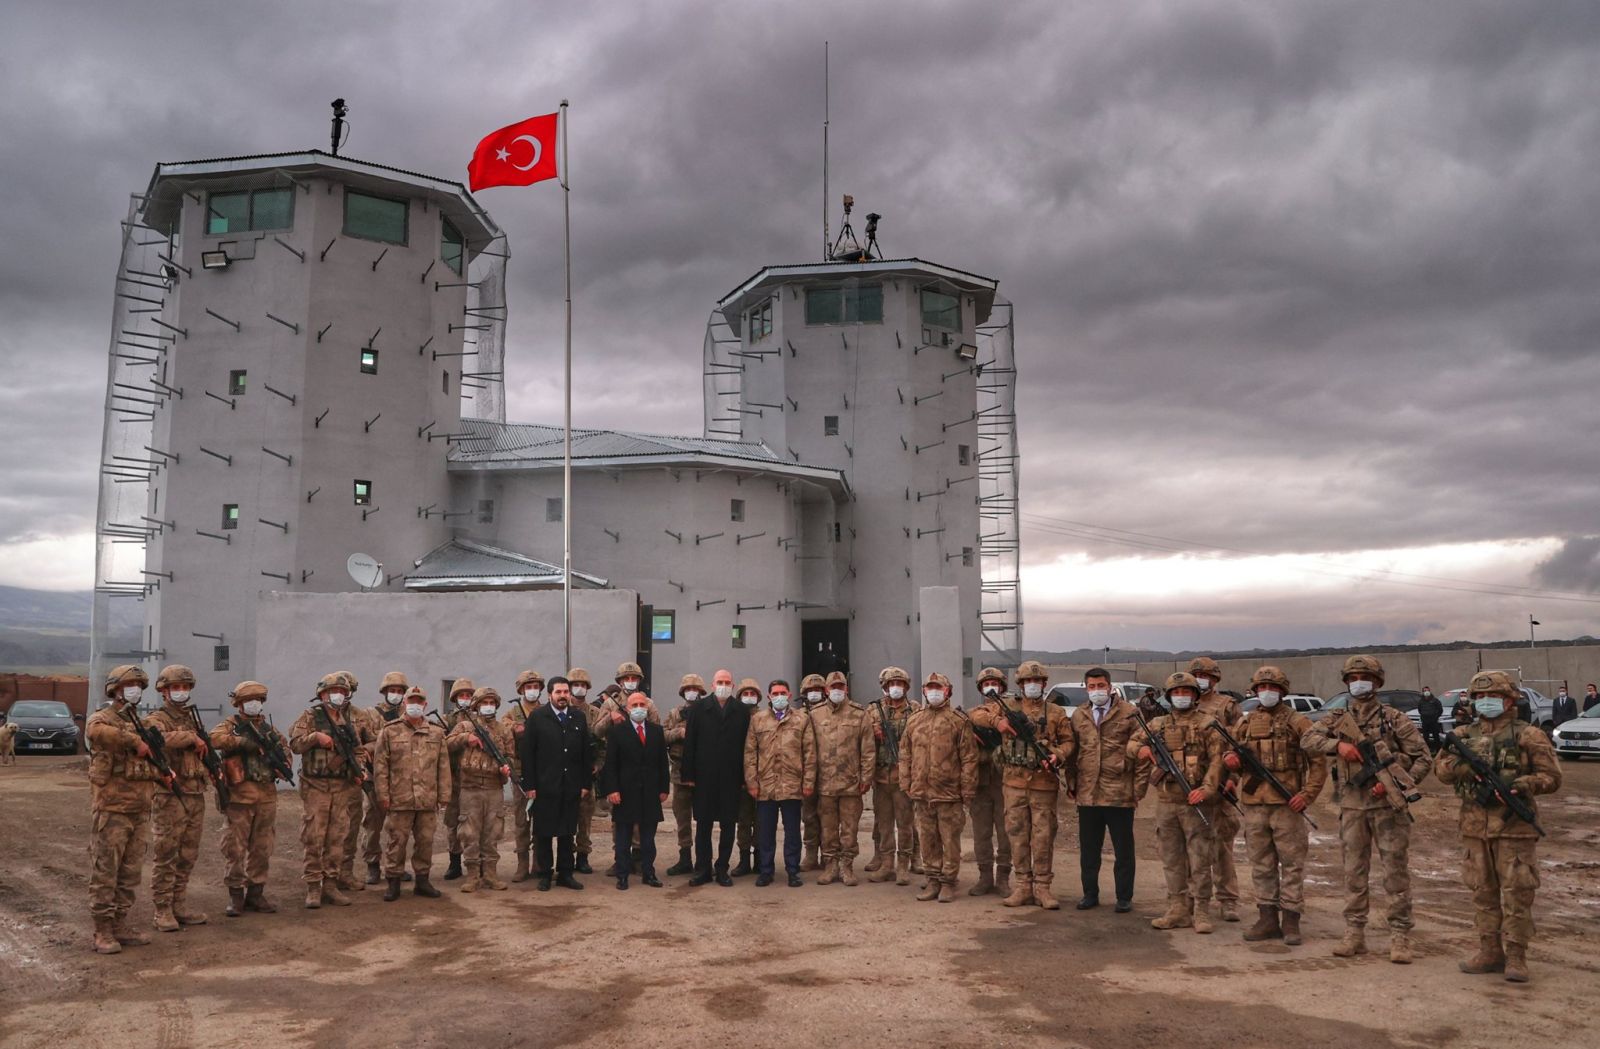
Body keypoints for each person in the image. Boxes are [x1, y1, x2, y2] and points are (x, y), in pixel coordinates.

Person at [1434, 670, 1563, 983]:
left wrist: (1526, 783)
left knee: (1517, 893)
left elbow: (1553, 777)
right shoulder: (1463, 735)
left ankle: (1517, 956)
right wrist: (1464, 765)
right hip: (1475, 828)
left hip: (1515, 828)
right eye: (1479, 697)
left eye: (1493, 697)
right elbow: (1441, 770)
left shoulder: (1528, 735)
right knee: (1482, 892)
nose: (1485, 702)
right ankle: (1490, 950)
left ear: (1509, 700)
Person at [1302, 655, 1431, 963]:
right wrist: (1339, 747)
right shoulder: (1337, 717)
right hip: (1352, 806)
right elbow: (1308, 738)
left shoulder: (1393, 718)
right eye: (1354, 677)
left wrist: (1395, 784)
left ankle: (1400, 936)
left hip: (1388, 808)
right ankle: (1354, 933)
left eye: (1365, 677)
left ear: (1377, 682)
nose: (1359, 682)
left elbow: (1424, 757)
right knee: (1353, 872)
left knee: (1395, 873)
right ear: (1347, 682)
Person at [1230, 666, 1327, 946]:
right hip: (1254, 805)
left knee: (1292, 864)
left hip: (1288, 805)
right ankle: (1267, 917)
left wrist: (1307, 795)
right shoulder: (1245, 724)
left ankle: (1292, 920)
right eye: (1261, 687)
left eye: (1272, 687)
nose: (1266, 692)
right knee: (1261, 864)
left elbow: (1318, 763)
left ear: (1282, 691)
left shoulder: (1299, 723)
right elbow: (1232, 755)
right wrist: (1231, 765)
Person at [971, 659, 1072, 909]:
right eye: (1028, 681)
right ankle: (1023, 886)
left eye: (1037, 681)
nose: (1032, 685)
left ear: (1044, 684)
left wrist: (1056, 755)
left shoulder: (1056, 713)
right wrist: (998, 723)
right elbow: (977, 714)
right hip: (1014, 784)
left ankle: (1043, 888)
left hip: (1043, 784)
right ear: (1020, 684)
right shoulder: (1006, 707)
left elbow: (1069, 743)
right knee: (1016, 835)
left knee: (1042, 836)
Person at [1128, 672, 1223, 934]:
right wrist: (1142, 750)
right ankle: (1177, 908)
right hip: (1167, 800)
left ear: (1194, 695)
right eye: (1177, 693)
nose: (1182, 697)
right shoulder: (1157, 724)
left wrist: (1206, 790)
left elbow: (1217, 761)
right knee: (1171, 858)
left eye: (1187, 692)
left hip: (1196, 802)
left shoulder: (1207, 724)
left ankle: (1201, 910)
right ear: (1169, 696)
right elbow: (1132, 744)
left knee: (1199, 858)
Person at [86, 665, 162, 954]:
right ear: (115, 689)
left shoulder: (137, 722)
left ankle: (120, 923)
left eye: (138, 685)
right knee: (106, 869)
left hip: (140, 810)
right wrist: (134, 741)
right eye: (129, 685)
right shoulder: (102, 718)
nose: (135, 690)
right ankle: (102, 930)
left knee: (130, 872)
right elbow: (94, 731)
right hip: (113, 810)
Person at [289, 672, 373, 910]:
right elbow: (295, 744)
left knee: (337, 836)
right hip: (316, 785)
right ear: (322, 694)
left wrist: (361, 769)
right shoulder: (311, 716)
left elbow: (358, 749)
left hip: (341, 787)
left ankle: (331, 884)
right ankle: (314, 886)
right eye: (332, 691)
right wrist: (316, 738)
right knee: (314, 836)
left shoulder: (349, 721)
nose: (338, 696)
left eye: (342, 692)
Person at [1066, 667, 1146, 913]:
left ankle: (1124, 897)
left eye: (1101, 685)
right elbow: (1073, 752)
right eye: (1092, 686)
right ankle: (1090, 893)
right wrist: (1071, 783)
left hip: (1119, 793)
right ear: (1086, 688)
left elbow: (1143, 751)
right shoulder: (1079, 715)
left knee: (1123, 850)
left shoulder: (1130, 713)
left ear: (1110, 687)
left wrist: (1139, 789)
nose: (1097, 690)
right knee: (1089, 849)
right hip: (1088, 793)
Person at [209, 680, 291, 919]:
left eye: (257, 700)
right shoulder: (231, 725)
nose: (253, 704)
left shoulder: (269, 729)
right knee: (235, 847)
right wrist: (243, 743)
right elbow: (214, 738)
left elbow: (285, 749)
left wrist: (284, 764)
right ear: (239, 704)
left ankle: (256, 893)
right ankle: (236, 895)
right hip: (239, 797)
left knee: (262, 847)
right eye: (248, 700)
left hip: (265, 796)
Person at [144, 664, 212, 932]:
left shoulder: (191, 719)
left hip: (195, 794)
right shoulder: (156, 718)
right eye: (176, 688)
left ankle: (179, 905)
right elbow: (155, 740)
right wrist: (189, 738)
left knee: (188, 853)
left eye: (185, 687)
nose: (181, 692)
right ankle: (162, 909)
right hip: (170, 796)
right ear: (164, 692)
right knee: (166, 853)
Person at [899, 673, 977, 902]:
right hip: (922, 794)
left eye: (938, 687)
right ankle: (932, 880)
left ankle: (948, 882)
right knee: (927, 839)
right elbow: (905, 754)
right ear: (923, 691)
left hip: (949, 794)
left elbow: (969, 758)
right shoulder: (915, 720)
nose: (934, 691)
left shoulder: (958, 721)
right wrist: (906, 782)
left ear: (947, 691)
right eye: (930, 687)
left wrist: (967, 791)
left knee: (949, 841)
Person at [518, 676, 595, 891]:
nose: (562, 696)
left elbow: (585, 754)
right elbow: (528, 754)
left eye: (565, 692)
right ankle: (545, 874)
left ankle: (566, 873)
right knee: (543, 832)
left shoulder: (578, 718)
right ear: (549, 694)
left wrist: (585, 784)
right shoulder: (537, 717)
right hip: (544, 786)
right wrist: (530, 785)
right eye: (558, 692)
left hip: (571, 785)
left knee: (566, 831)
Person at [374, 686, 450, 900]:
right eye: (411, 701)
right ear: (404, 703)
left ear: (425, 705)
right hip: (400, 798)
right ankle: (393, 881)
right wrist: (383, 795)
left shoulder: (436, 732)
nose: (415, 705)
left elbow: (443, 767)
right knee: (397, 841)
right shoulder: (389, 731)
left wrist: (444, 796)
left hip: (427, 798)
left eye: (419, 701)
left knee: (425, 841)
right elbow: (380, 767)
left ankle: (423, 881)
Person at [683, 668, 755, 886]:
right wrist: (689, 775)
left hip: (731, 778)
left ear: (732, 686)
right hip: (704, 778)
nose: (723, 685)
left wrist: (745, 778)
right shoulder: (698, 709)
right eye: (719, 682)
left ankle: (722, 868)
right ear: (712, 685)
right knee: (703, 825)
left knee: (728, 825)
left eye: (727, 682)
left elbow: (747, 747)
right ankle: (702, 869)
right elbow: (690, 744)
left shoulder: (742, 711)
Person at [744, 680, 817, 887]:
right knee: (765, 831)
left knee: (792, 831)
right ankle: (766, 871)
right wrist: (752, 782)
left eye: (783, 692)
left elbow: (810, 753)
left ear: (789, 694)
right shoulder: (758, 720)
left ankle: (793, 870)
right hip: (765, 785)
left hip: (792, 785)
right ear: (768, 696)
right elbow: (750, 753)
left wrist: (808, 781)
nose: (779, 696)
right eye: (775, 693)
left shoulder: (802, 719)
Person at [1189, 656, 1244, 923]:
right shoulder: (1184, 702)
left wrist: (1233, 778)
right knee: (1194, 845)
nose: (1202, 679)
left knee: (1222, 845)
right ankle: (1195, 899)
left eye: (1206, 675)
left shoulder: (1227, 706)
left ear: (1215, 679)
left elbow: (1238, 745)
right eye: (1197, 674)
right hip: (1193, 784)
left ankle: (1228, 900)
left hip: (1221, 785)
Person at [447, 686, 518, 892]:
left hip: (493, 788)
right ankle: (472, 876)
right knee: (469, 832)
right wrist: (465, 738)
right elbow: (447, 743)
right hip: (469, 788)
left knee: (492, 832)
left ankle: (490, 874)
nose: (488, 707)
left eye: (491, 703)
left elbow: (511, 756)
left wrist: (506, 768)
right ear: (477, 706)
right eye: (484, 703)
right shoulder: (465, 725)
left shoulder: (503, 729)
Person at [594, 662, 661, 877]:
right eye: (626, 678)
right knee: (621, 820)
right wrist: (609, 718)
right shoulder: (611, 703)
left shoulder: (647, 703)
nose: (630, 682)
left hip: (644, 769)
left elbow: (656, 732)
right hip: (619, 765)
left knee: (643, 821)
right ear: (620, 681)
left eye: (634, 678)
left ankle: (640, 858)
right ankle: (620, 860)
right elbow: (595, 731)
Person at [810, 670, 874, 885]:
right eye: (833, 687)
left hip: (851, 783)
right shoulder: (815, 714)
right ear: (826, 690)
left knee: (849, 828)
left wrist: (866, 777)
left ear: (846, 688)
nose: (837, 690)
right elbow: (809, 750)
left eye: (841, 686)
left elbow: (868, 749)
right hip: (825, 783)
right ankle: (830, 865)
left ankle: (846, 866)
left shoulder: (859, 714)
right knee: (828, 828)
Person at [600, 691, 670, 889]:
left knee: (648, 839)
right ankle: (622, 875)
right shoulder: (617, 732)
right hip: (625, 792)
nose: (639, 708)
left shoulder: (656, 731)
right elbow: (611, 764)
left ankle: (649, 873)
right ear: (628, 708)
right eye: (635, 704)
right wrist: (612, 789)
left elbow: (662, 763)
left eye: (642, 704)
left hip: (650, 792)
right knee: (623, 837)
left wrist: (664, 788)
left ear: (647, 708)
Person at [964, 668, 1013, 897]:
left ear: (1002, 686)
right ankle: (985, 877)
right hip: (981, 781)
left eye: (994, 682)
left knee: (1005, 833)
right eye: (986, 683)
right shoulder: (973, 713)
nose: (991, 687)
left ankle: (1003, 878)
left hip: (1005, 781)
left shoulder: (1013, 710)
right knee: (981, 832)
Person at [358, 671, 410, 887]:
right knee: (373, 823)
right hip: (375, 777)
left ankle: (395, 865)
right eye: (392, 690)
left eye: (399, 691)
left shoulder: (408, 715)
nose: (395, 694)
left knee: (398, 827)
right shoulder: (371, 715)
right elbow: (361, 745)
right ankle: (372, 864)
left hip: (400, 779)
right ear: (385, 692)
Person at [867, 666, 916, 886]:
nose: (895, 687)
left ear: (906, 686)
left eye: (899, 684)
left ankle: (904, 865)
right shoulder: (873, 711)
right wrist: (873, 732)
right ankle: (886, 863)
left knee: (905, 823)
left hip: (903, 776)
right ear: (885, 687)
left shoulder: (915, 710)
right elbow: (862, 739)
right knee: (884, 823)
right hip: (880, 776)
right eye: (891, 684)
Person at [661, 674, 703, 876]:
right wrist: (678, 733)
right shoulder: (674, 713)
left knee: (704, 818)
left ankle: (704, 859)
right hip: (679, 773)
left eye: (695, 688)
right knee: (682, 818)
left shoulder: (707, 711)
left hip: (703, 774)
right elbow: (661, 736)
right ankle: (685, 857)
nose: (692, 692)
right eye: (688, 688)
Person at [505, 669, 544, 882]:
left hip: (542, 771)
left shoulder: (546, 710)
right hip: (520, 771)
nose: (532, 691)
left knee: (541, 819)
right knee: (521, 820)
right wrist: (516, 729)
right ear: (521, 690)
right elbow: (504, 730)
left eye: (536, 687)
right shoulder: (512, 713)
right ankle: (522, 865)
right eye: (528, 687)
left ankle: (539, 863)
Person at [439, 677, 477, 881]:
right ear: (454, 698)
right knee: (453, 822)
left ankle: (475, 862)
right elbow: (441, 746)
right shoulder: (446, 720)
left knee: (474, 822)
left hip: (473, 778)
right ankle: (454, 863)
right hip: (453, 777)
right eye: (462, 695)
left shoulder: (479, 719)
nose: (465, 699)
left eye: (469, 695)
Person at [728, 677, 764, 877]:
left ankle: (760, 859)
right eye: (745, 694)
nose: (749, 697)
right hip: (740, 778)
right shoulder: (733, 717)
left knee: (761, 821)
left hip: (763, 777)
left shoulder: (765, 717)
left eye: (752, 694)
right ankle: (743, 860)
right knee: (742, 820)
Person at [566, 667, 600, 874]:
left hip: (588, 773)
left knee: (585, 818)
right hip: (567, 772)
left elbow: (603, 742)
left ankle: (583, 856)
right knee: (567, 817)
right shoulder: (561, 710)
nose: (579, 688)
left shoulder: (595, 713)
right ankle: (566, 856)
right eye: (575, 685)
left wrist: (599, 764)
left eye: (582, 685)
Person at [796, 673, 829, 872]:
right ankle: (810, 854)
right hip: (805, 772)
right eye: (810, 691)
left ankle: (827, 854)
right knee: (808, 815)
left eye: (817, 690)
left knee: (827, 816)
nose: (814, 693)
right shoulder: (798, 715)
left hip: (827, 772)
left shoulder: (829, 712)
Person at [1417, 687, 1445, 751]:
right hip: (1425, 722)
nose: (1426, 692)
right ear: (1423, 692)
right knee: (1425, 737)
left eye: (1427, 690)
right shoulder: (1421, 701)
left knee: (1436, 736)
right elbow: (1419, 710)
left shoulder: (1435, 700)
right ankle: (1427, 750)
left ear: (1430, 691)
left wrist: (1436, 716)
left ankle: (1438, 750)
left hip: (1433, 721)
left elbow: (1440, 710)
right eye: (1425, 690)